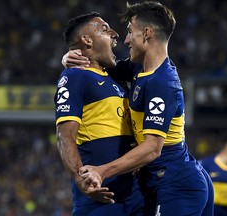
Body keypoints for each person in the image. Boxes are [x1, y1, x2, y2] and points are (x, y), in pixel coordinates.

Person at [64, 2, 214, 215]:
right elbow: (100, 64)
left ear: (146, 34)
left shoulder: (162, 82)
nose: (125, 40)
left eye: (130, 32)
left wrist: (102, 171)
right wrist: (70, 56)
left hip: (176, 184)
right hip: (166, 180)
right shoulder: (139, 68)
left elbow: (153, 148)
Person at [54, 12, 145, 216]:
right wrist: (80, 180)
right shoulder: (75, 76)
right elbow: (64, 136)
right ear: (86, 39)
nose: (115, 34)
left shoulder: (116, 79)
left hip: (136, 196)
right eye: (104, 29)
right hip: (101, 201)